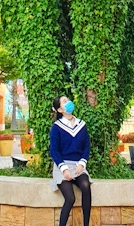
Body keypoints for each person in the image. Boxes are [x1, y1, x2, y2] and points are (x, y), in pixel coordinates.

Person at [50, 96, 91, 226]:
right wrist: (64, 169)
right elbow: (54, 151)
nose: (69, 103)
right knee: (70, 198)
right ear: (60, 109)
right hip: (62, 166)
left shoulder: (81, 125)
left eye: (68, 100)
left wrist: (82, 163)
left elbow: (86, 146)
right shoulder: (57, 127)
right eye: (65, 102)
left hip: (78, 165)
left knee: (86, 186)